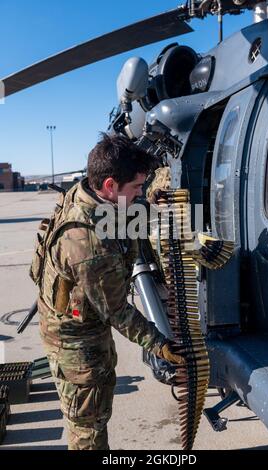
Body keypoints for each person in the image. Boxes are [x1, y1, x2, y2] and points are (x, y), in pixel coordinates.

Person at [30, 133, 184, 450]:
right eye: (137, 187)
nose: (141, 192)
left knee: (93, 412)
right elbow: (118, 312)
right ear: (111, 185)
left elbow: (125, 210)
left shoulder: (85, 192)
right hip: (77, 343)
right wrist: (162, 346)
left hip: (76, 318)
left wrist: (150, 204)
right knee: (88, 429)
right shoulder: (88, 243)